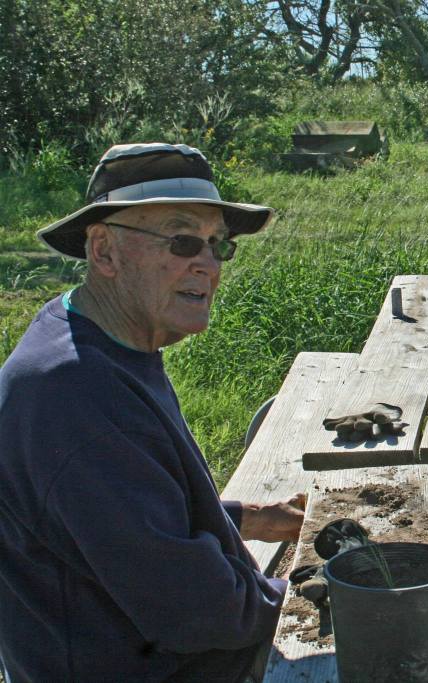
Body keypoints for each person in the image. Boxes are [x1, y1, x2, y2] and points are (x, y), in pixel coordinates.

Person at [0, 143, 307, 681]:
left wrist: (245, 518)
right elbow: (200, 614)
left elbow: (123, 516)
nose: (208, 264)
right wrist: (311, 592)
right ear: (104, 252)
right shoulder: (76, 397)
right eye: (183, 239)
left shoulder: (90, 335)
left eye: (218, 245)